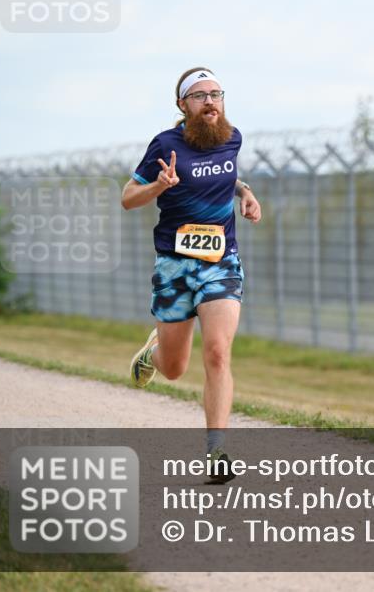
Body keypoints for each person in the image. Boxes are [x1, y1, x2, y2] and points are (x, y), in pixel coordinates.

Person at [121, 66, 262, 483]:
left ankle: (217, 453)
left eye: (216, 94)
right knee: (175, 368)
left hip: (221, 262)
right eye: (200, 96)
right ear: (183, 105)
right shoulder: (165, 144)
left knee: (218, 352)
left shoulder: (231, 138)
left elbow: (228, 173)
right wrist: (159, 187)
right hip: (174, 265)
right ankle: (153, 353)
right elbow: (128, 198)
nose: (210, 102)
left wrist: (247, 194)